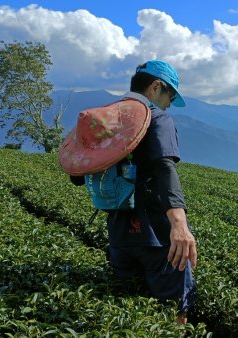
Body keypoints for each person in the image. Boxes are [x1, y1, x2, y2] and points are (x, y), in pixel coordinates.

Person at [64, 60, 197, 324]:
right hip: (156, 235)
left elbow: (77, 176)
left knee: (128, 311)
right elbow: (164, 168)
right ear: (155, 86)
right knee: (175, 311)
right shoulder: (157, 117)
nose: (169, 102)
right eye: (169, 94)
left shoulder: (105, 118)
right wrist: (179, 225)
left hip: (118, 233)